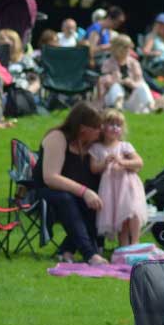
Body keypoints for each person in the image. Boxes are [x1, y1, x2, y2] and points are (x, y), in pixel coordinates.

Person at [36, 102, 107, 264]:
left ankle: (66, 250)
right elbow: (50, 177)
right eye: (97, 127)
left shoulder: (90, 144)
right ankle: (90, 254)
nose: (100, 130)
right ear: (83, 128)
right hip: (46, 192)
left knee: (95, 197)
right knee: (67, 198)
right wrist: (85, 191)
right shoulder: (57, 138)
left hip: (73, 194)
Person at [88, 108, 147, 247]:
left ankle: (135, 243)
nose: (115, 128)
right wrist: (105, 162)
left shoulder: (124, 146)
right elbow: (93, 168)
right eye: (111, 124)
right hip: (110, 189)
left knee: (132, 211)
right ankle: (124, 248)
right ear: (102, 127)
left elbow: (139, 163)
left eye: (118, 125)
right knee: (119, 218)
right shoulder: (97, 148)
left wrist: (122, 162)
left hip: (128, 187)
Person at [99, 34, 155, 113]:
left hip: (130, 99)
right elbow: (103, 83)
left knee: (143, 86)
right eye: (125, 47)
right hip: (112, 99)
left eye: (128, 47)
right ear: (117, 48)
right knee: (116, 86)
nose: (128, 50)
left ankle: (152, 107)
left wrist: (132, 84)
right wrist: (117, 81)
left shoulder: (134, 63)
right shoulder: (107, 63)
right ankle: (118, 107)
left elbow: (140, 80)